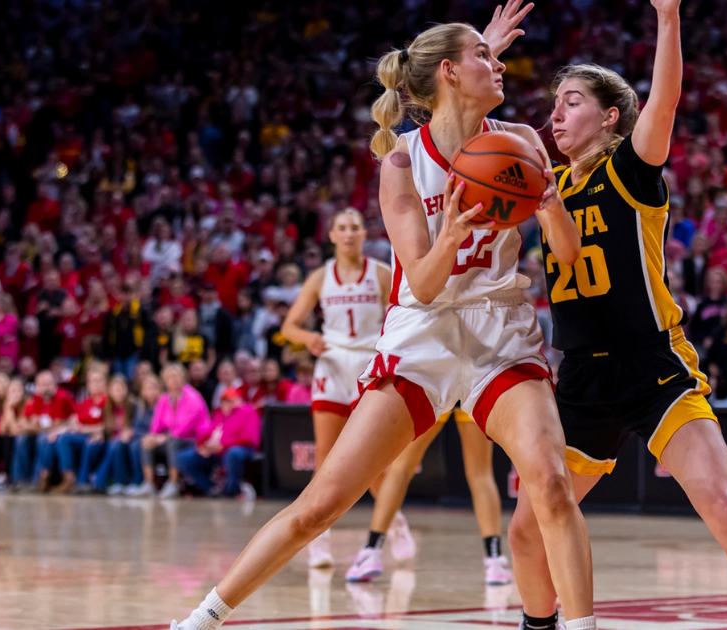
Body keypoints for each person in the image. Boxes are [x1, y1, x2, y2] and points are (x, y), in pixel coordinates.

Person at [170, 7, 599, 629]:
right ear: (450, 72)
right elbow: (422, 286)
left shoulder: (524, 143)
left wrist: (553, 204)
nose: (500, 64)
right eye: (484, 55)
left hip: (500, 330)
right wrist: (451, 232)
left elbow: (565, 255)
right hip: (421, 333)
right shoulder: (401, 161)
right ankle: (199, 621)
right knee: (320, 506)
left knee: (552, 486)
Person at [513, 6, 727, 630]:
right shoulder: (546, 188)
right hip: (582, 380)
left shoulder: (629, 170)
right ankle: (538, 625)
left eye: (571, 103)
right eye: (554, 105)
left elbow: (666, 102)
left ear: (610, 115)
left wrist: (668, 17)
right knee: (527, 532)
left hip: (654, 364)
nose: (555, 116)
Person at [280, 208, 392, 567]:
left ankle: (393, 521)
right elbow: (289, 327)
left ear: (363, 234)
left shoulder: (381, 273)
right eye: (341, 228)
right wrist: (308, 338)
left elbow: (404, 314)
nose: (347, 234)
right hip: (331, 363)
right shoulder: (318, 278)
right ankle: (319, 540)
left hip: (368, 363)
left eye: (354, 228)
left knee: (373, 459)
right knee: (325, 458)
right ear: (331, 235)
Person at [346, 407, 511, 586]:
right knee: (481, 474)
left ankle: (372, 550)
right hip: (469, 386)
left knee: (401, 468)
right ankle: (494, 560)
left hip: (440, 386)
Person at [141, 363, 213, 499]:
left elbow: (183, 429)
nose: (174, 380)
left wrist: (161, 438)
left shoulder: (192, 397)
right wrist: (152, 437)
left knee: (172, 442)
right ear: (165, 381)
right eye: (170, 377)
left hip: (195, 440)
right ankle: (148, 484)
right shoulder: (164, 399)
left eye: (177, 376)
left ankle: (173, 484)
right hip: (173, 438)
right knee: (147, 443)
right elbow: (156, 425)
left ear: (183, 378)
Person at [174, 387, 260, 499]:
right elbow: (206, 433)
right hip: (215, 451)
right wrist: (202, 446)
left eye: (232, 400)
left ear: (239, 400)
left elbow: (248, 439)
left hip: (239, 448)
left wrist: (223, 446)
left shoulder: (248, 412)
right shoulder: (219, 415)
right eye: (225, 400)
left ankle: (231, 492)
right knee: (183, 458)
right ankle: (212, 489)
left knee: (233, 453)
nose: (228, 404)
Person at [54, 366, 110, 494]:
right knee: (63, 438)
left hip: (102, 438)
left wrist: (84, 429)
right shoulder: (86, 402)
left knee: (90, 444)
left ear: (105, 383)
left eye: (98, 381)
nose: (95, 384)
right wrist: (61, 429)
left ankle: (83, 482)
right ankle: (69, 478)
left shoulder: (108, 401)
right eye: (92, 381)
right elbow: (74, 421)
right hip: (86, 435)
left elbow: (107, 425)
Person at [21, 370, 76, 491]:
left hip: (65, 432)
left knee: (44, 438)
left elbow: (59, 424)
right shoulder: (37, 399)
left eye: (49, 384)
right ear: (37, 386)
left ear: (55, 384)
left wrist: (36, 426)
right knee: (21, 439)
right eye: (43, 384)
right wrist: (37, 426)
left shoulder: (62, 397)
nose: (46, 388)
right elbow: (25, 422)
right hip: (46, 434)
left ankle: (40, 478)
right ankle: (20, 479)